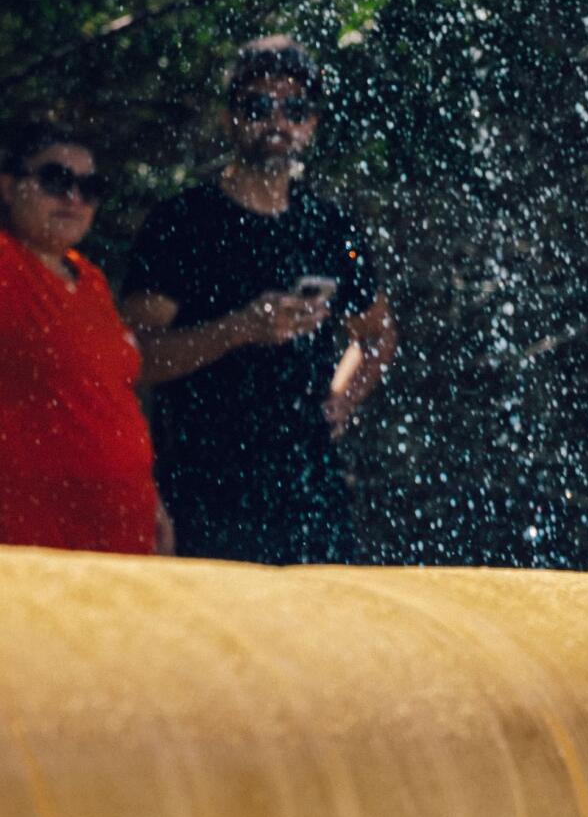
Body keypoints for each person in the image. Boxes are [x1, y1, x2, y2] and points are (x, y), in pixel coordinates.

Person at [120, 37, 398, 564]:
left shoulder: (330, 228)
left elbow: (377, 333)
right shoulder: (183, 223)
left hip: (311, 494)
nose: (277, 121)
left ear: (311, 124)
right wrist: (239, 328)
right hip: (202, 490)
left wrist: (343, 397)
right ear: (229, 118)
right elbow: (131, 357)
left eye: (295, 108)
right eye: (258, 105)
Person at [0, 122, 160, 554]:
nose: (74, 198)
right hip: (34, 536)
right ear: (9, 187)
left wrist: (153, 500)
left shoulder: (90, 278)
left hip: (124, 525)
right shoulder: (6, 265)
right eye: (55, 180)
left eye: (90, 188)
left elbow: (109, 396)